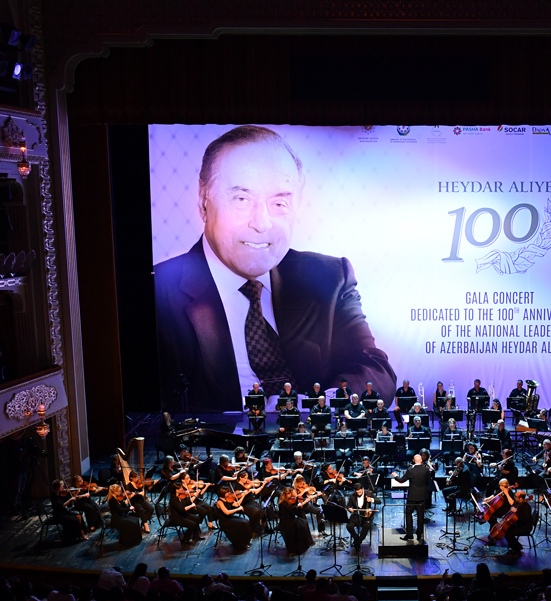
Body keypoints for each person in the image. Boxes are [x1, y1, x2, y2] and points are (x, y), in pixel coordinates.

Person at [153, 125, 396, 411]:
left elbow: (376, 370)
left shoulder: (329, 278)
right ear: (204, 201)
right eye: (241, 199)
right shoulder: (157, 292)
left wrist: (323, 407)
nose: (262, 223)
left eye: (279, 203)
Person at [392, 454, 433, 543]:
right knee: (420, 515)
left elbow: (401, 480)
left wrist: (395, 475)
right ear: (421, 461)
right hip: (422, 496)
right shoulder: (426, 470)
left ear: (414, 461)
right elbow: (429, 482)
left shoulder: (410, 470)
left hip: (412, 497)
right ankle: (419, 535)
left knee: (408, 513)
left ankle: (409, 534)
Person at [278, 478, 317, 556]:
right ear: (286, 494)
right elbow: (291, 511)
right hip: (286, 522)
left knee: (304, 522)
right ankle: (300, 548)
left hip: (291, 518)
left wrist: (297, 503)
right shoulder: (283, 503)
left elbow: (293, 510)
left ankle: (308, 543)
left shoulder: (289, 501)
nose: (293, 496)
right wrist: (298, 506)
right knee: (302, 525)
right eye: (291, 494)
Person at [499, 488, 534, 555]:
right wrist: (506, 515)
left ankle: (516, 550)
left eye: (516, 496)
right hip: (518, 524)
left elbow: (524, 520)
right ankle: (516, 546)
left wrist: (516, 512)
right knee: (506, 530)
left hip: (525, 527)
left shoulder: (527, 507)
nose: (514, 497)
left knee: (509, 534)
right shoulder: (517, 503)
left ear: (521, 498)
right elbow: (512, 511)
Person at [345, 482, 375, 551]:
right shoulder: (352, 496)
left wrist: (371, 500)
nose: (358, 494)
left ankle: (358, 542)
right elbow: (348, 506)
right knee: (349, 526)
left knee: (367, 526)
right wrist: (349, 509)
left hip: (366, 516)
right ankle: (357, 539)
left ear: (362, 489)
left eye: (360, 492)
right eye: (357, 492)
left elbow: (379, 501)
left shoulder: (369, 494)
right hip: (356, 515)